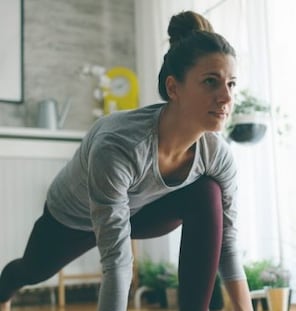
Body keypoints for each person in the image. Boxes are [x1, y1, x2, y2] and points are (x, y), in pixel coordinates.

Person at [0, 10, 253, 311]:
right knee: (31, 270)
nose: (226, 97)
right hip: (75, 217)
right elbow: (118, 266)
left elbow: (226, 242)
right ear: (174, 88)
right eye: (211, 82)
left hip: (141, 211)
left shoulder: (217, 154)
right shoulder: (119, 145)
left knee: (206, 192)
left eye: (231, 84)